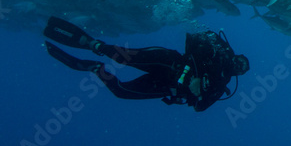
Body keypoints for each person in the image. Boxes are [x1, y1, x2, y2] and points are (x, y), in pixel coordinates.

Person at [43, 17, 249, 112]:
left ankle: (96, 68)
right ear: (236, 55)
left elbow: (200, 108)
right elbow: (195, 36)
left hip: (167, 86)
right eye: (239, 61)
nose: (236, 65)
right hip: (169, 61)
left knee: (122, 91)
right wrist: (198, 66)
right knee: (121, 56)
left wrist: (197, 91)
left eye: (240, 69)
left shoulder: (221, 85)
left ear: (238, 74)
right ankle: (92, 44)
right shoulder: (218, 50)